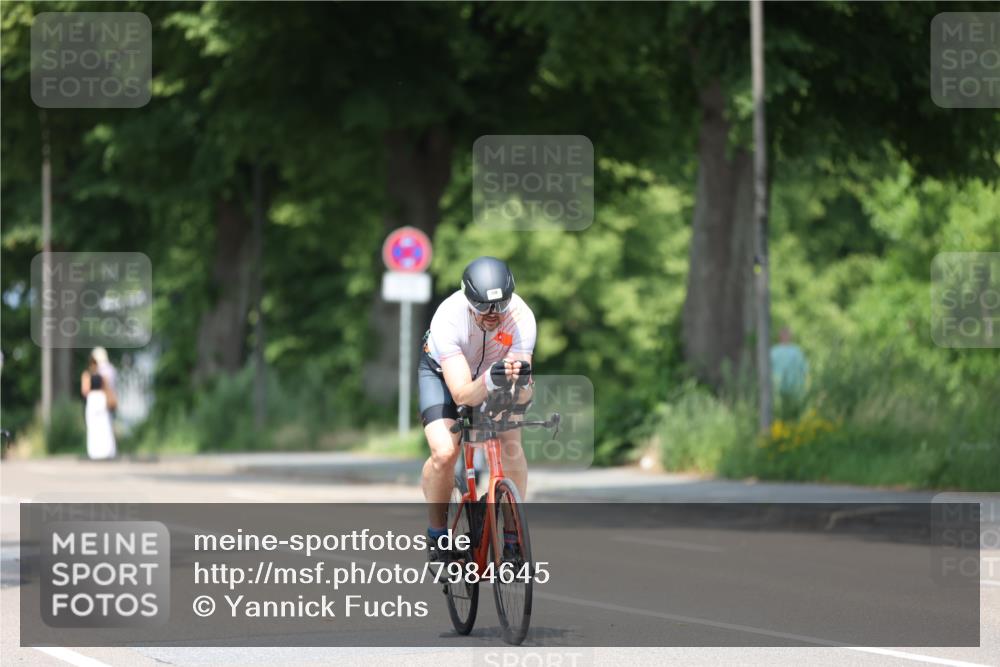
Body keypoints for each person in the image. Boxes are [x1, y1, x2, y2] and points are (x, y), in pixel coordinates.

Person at [419, 257, 536, 561]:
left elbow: (523, 391)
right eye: (483, 307)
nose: (492, 315)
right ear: (468, 299)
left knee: (510, 444)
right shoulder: (449, 317)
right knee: (445, 452)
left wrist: (521, 390)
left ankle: (512, 540)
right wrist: (490, 379)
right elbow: (462, 394)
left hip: (492, 377)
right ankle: (438, 538)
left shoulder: (522, 317)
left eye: (500, 305)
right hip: (444, 375)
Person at [81, 349, 117, 460]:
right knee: (104, 426)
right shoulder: (104, 374)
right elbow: (107, 388)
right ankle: (107, 451)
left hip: (93, 400)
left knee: (93, 427)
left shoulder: (87, 375)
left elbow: (85, 390)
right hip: (101, 399)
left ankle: (95, 452)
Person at [770, 326, 808, 419]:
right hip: (778, 387)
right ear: (780, 336)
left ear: (790, 336)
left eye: (787, 335)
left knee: (794, 410)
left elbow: (804, 369)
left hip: (795, 387)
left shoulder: (797, 351)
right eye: (784, 335)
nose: (785, 337)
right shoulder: (773, 351)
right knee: (779, 410)